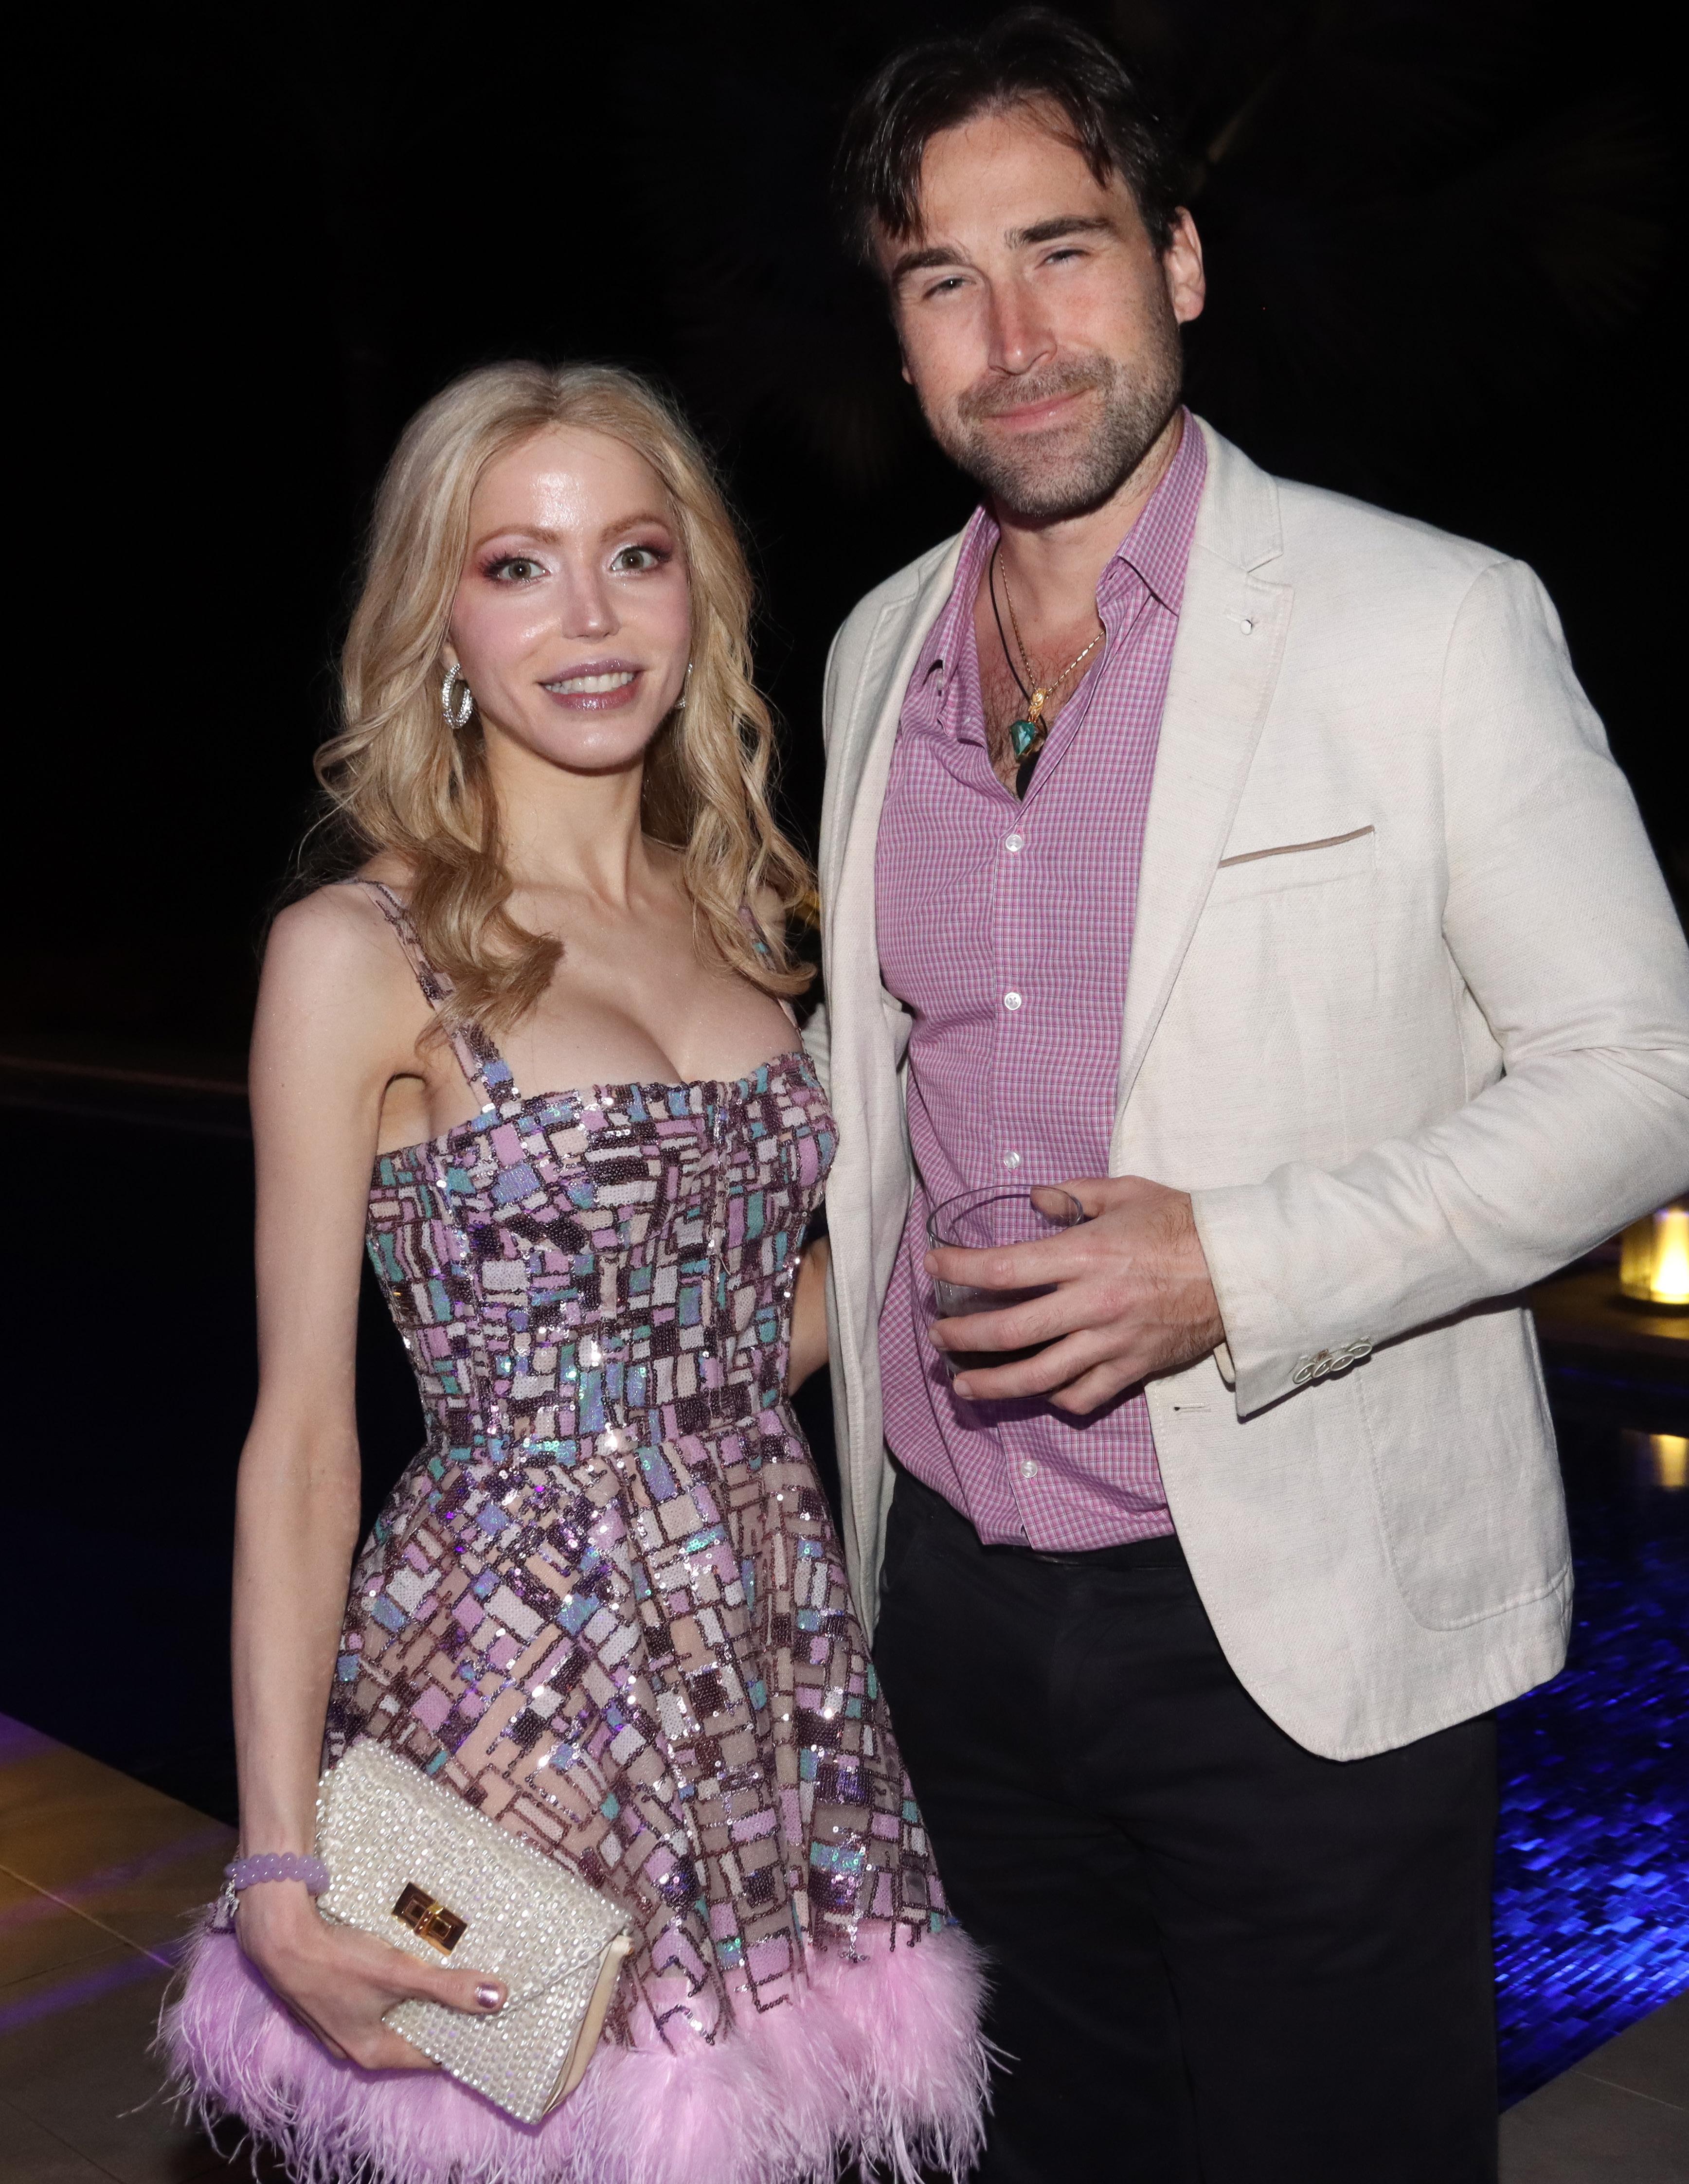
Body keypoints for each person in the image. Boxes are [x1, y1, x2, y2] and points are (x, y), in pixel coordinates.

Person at [809, 12, 1689, 2182]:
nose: (1017, 338)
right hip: (953, 1612)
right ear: (900, 338)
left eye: (1064, 250)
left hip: (1296, 1614)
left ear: (1178, 261)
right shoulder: (868, 655)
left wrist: (1238, 1263)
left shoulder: (1429, 623)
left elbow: (1645, 1079)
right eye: (945, 281)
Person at [163, 361, 987, 2184]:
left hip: (761, 1652)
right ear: (442, 623)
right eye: (517, 566)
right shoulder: (361, 946)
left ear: (700, 593)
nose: (591, 617)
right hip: (512, 1668)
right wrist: (280, 1862)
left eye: (635, 554)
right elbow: (301, 1436)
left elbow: (732, 1345)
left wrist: (942, 1226)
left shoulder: (751, 912)